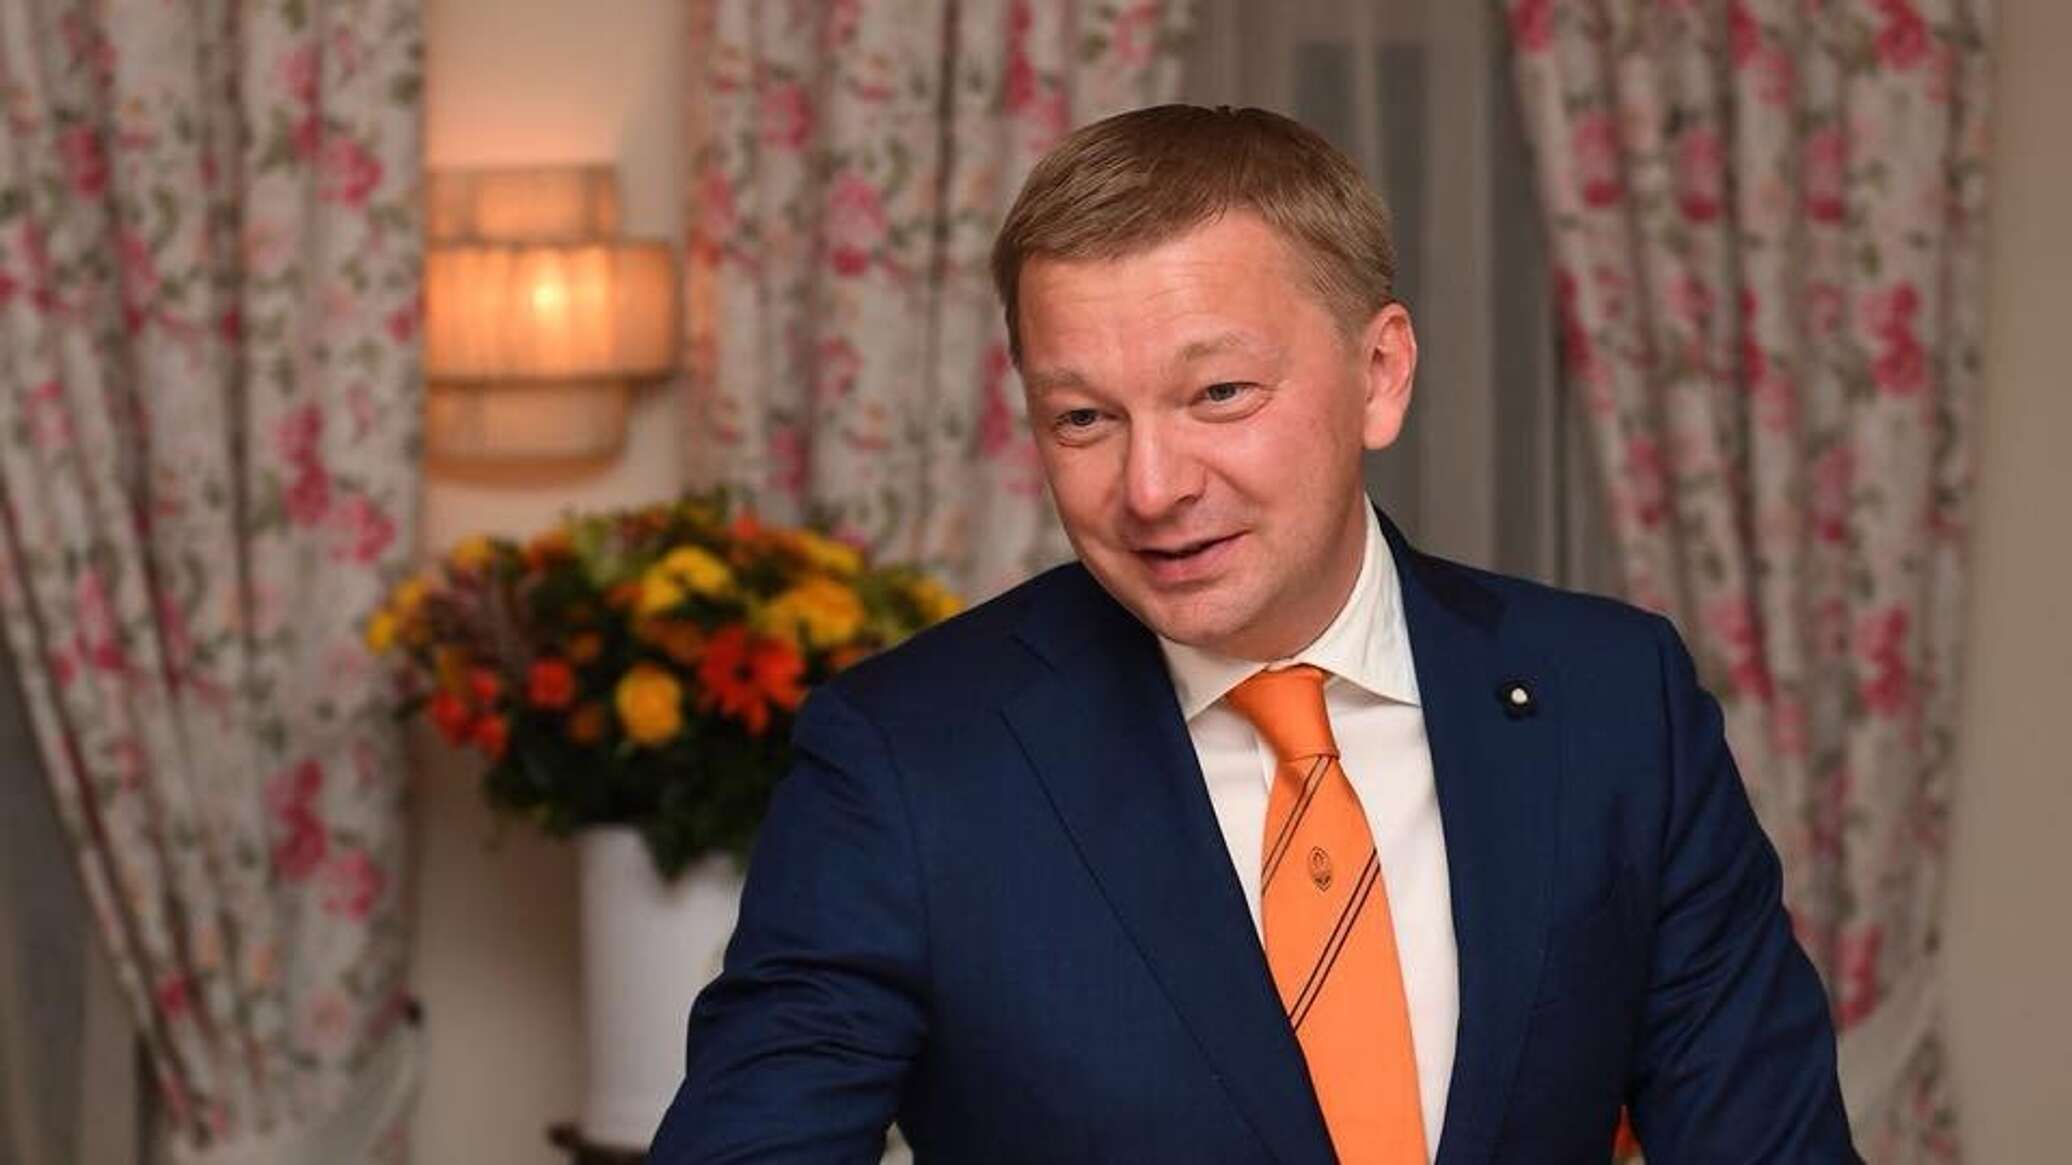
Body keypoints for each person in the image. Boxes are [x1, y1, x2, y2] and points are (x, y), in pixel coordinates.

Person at [649, 105, 1856, 1163]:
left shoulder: (1614, 703)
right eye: (1082, 418)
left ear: (1379, 373)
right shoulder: (903, 761)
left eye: (1218, 393)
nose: (1151, 487)